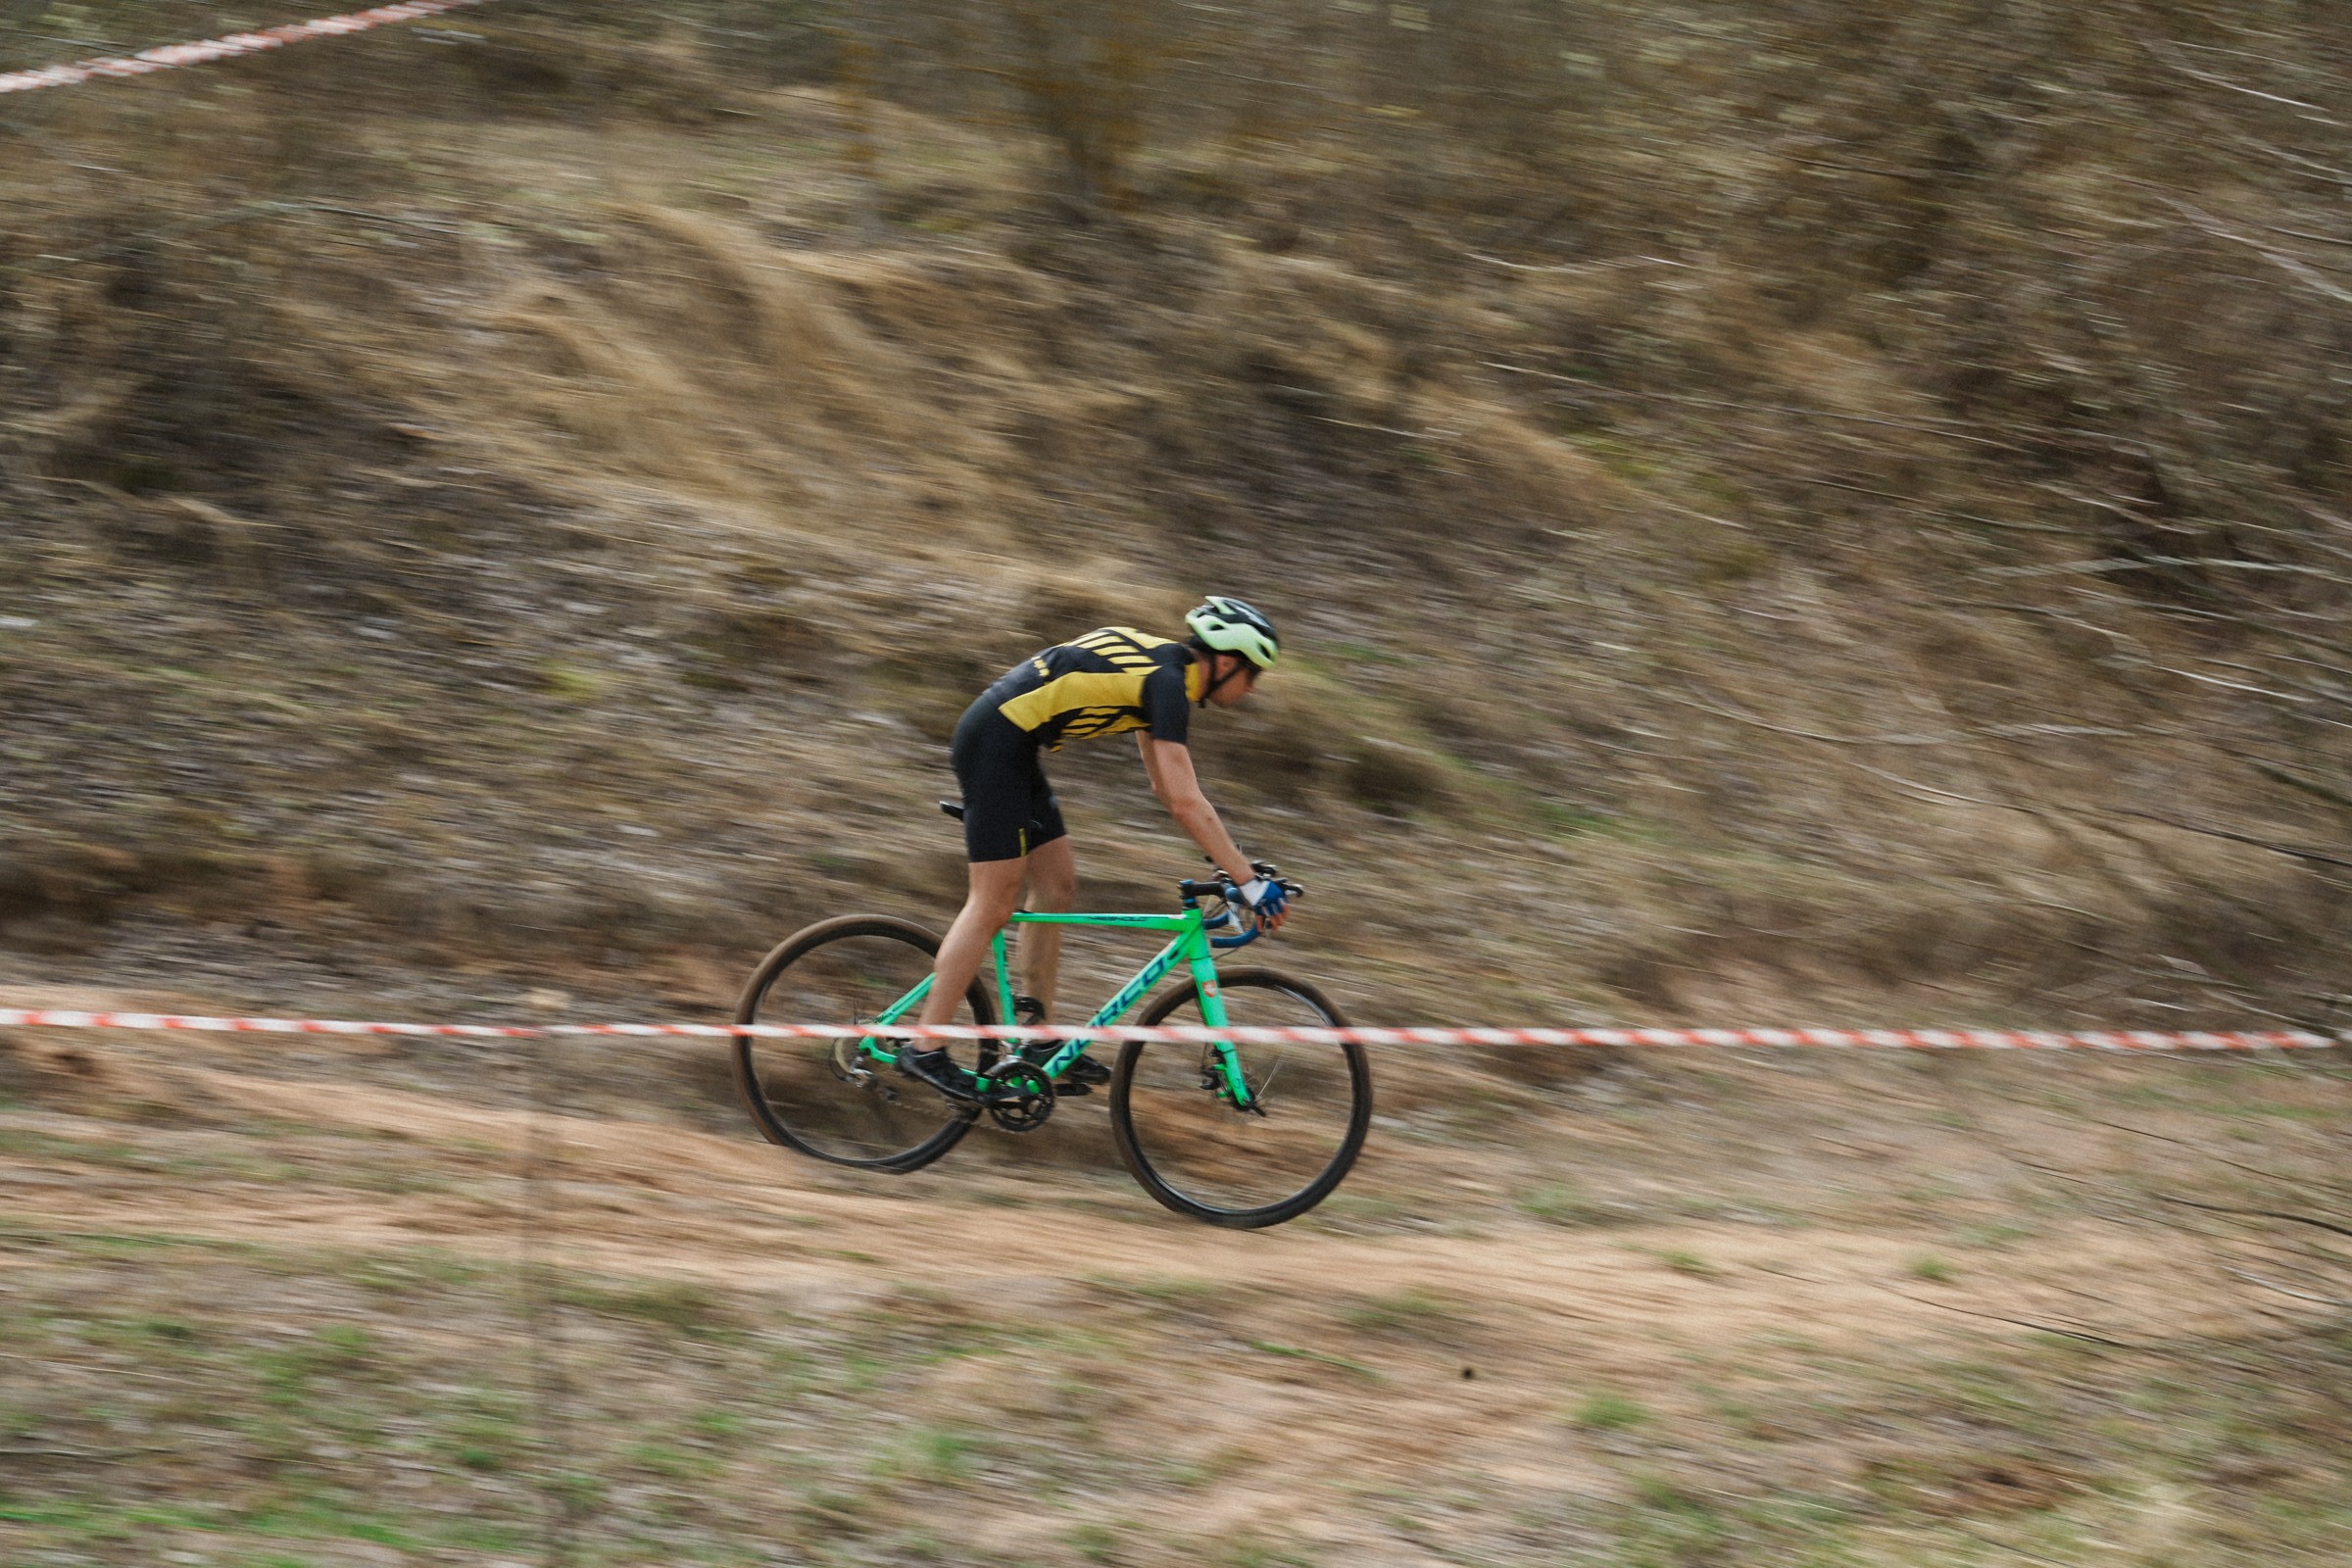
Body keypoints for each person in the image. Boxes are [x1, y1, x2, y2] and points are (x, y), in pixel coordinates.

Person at [898, 597, 1291, 1102]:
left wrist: (1233, 865)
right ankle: (926, 1046)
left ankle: (1039, 1039)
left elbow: (1167, 788)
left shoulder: (1163, 672)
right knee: (993, 903)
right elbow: (1184, 800)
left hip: (1012, 746)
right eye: (1252, 674)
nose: (1252, 688)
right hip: (997, 745)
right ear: (1227, 662)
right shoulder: (1167, 682)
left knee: (1057, 886)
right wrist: (1247, 880)